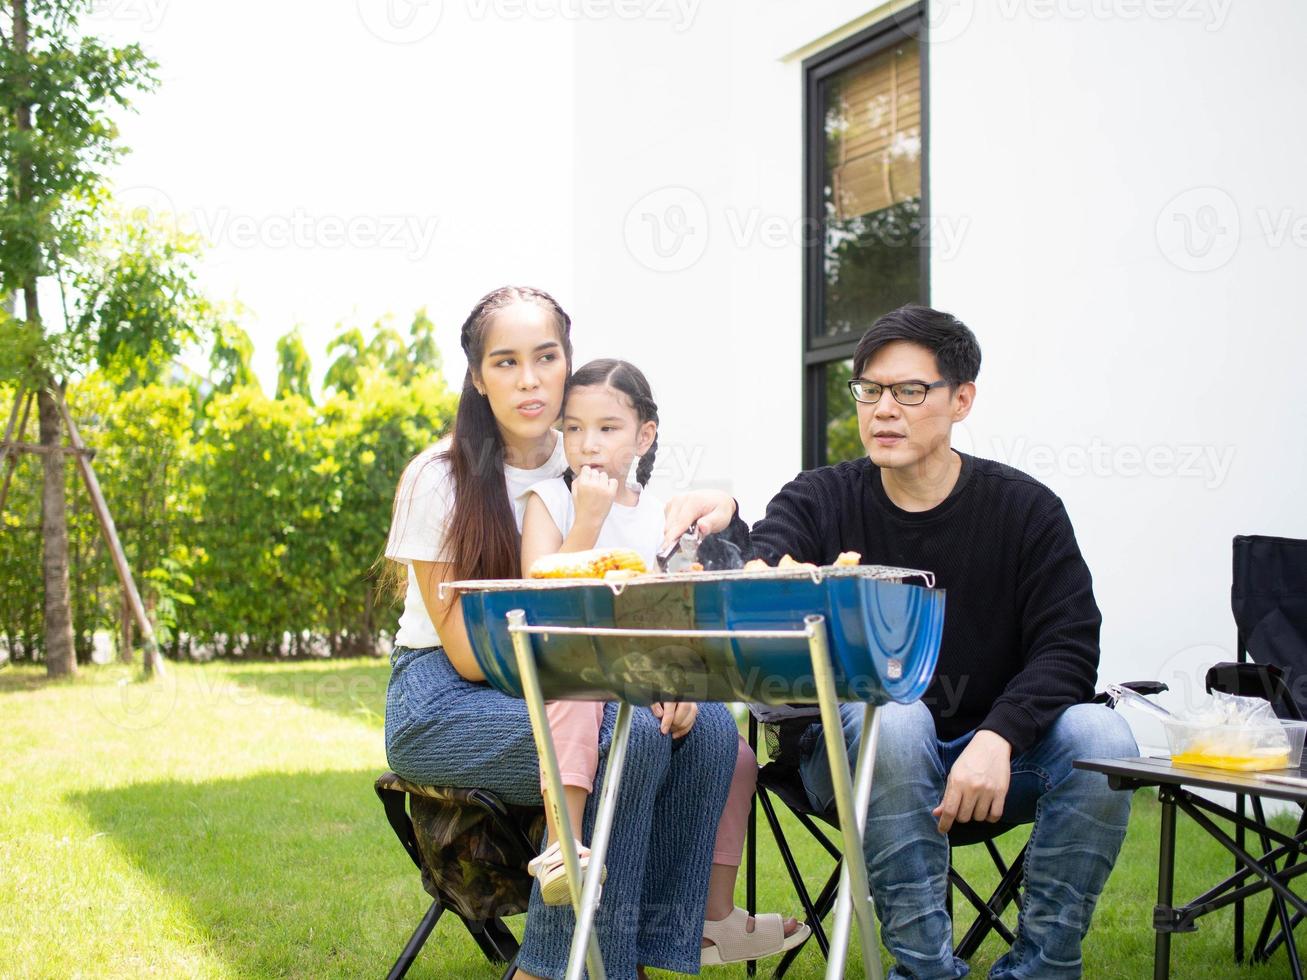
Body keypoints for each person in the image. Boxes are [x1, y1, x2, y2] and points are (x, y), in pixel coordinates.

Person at [677, 304, 1138, 979]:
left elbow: (1067, 647)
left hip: (996, 765)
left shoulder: (1024, 510)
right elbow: (763, 562)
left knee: (1104, 739)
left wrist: (998, 737)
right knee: (896, 716)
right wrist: (728, 530)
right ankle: (924, 971)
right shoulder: (820, 499)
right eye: (869, 389)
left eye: (909, 391)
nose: (883, 409)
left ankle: (1043, 968)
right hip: (851, 760)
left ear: (961, 400)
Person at [383, 286, 738, 979]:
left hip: (576, 676)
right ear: (478, 378)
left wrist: (721, 503)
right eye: (505, 362)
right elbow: (466, 652)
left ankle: (640, 953)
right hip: (446, 697)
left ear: (566, 362)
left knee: (712, 728)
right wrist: (620, 683)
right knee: (622, 735)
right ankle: (547, 968)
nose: (528, 380)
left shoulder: (584, 452)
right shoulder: (440, 479)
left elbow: (647, 548)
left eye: (545, 358)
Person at [518, 358, 808, 966]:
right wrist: (590, 518)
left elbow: (671, 619)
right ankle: (562, 844)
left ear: (644, 436)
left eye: (607, 428)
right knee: (579, 701)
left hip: (642, 674)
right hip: (571, 667)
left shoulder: (662, 516)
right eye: (573, 429)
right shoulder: (550, 500)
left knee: (730, 749)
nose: (587, 444)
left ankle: (711, 916)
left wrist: (676, 683)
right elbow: (544, 602)